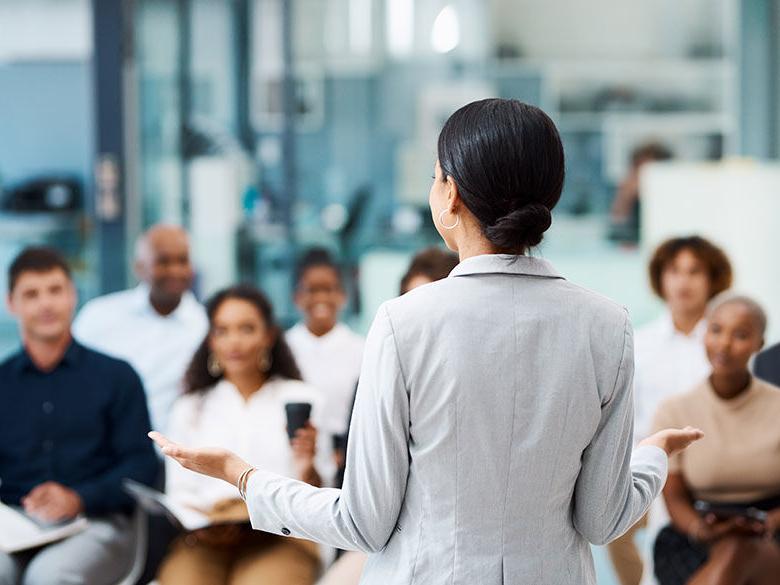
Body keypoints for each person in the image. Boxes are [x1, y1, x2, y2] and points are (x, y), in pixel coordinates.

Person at [150, 99, 702, 585]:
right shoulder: (607, 325)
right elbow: (602, 520)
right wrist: (651, 456)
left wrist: (240, 476)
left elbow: (362, 522)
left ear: (452, 195)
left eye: (437, 176)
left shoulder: (403, 323)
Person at [0, 247, 158, 585]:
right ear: (11, 304)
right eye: (31, 294)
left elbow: (142, 467)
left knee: (48, 577)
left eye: (55, 290)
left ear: (72, 295)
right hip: (16, 523)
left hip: (97, 522)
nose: (45, 304)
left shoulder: (117, 377)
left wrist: (79, 498)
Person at [156, 285, 329, 585]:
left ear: (268, 336)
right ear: (211, 339)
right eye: (222, 330)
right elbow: (179, 492)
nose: (234, 341)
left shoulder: (302, 399)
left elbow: (321, 492)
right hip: (207, 538)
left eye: (246, 329)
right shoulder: (191, 407)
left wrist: (306, 466)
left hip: (282, 536)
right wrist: (206, 522)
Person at [319, 245, 460, 585]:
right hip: (382, 537)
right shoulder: (374, 378)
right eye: (410, 305)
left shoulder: (473, 382)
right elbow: (356, 487)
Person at [608, 236, 733, 585]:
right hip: (651, 470)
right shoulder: (639, 343)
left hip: (713, 475)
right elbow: (626, 417)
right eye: (674, 271)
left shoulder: (729, 343)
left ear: (712, 280)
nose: (683, 281)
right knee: (615, 532)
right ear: (661, 278)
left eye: (694, 272)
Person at [652, 295, 780, 585]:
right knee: (734, 550)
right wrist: (699, 529)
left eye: (741, 335)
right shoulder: (675, 410)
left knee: (741, 549)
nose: (724, 344)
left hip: (773, 530)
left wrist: (770, 521)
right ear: (704, 334)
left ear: (759, 344)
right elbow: (674, 496)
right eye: (716, 330)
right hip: (698, 535)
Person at [73, 224, 208, 432]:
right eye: (163, 261)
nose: (175, 270)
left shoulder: (205, 327)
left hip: (174, 455)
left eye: (183, 261)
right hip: (104, 451)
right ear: (139, 267)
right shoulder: (98, 317)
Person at [286, 248, 364, 438]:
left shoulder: (362, 349)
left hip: (344, 457)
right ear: (296, 297)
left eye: (328, 289)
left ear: (342, 296)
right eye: (312, 290)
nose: (320, 298)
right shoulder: (283, 348)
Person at [608, 142, 673, 245]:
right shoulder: (628, 192)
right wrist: (625, 196)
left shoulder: (673, 203)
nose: (642, 177)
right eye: (638, 170)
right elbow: (615, 228)